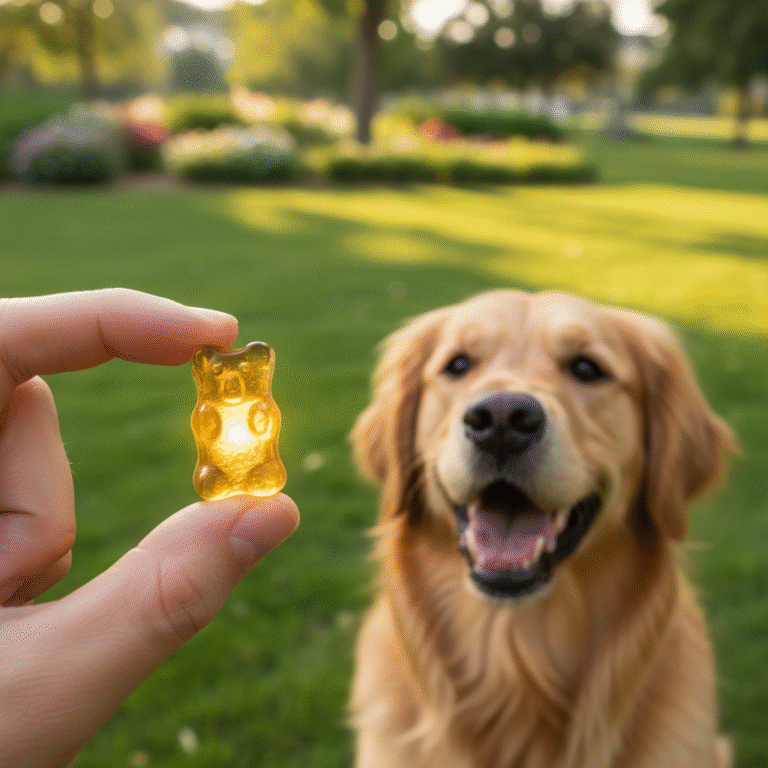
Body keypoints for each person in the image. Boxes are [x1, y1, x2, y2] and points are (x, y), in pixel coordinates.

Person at [0, 288, 300, 768]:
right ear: (208, 376)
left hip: (257, 471)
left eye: (241, 377)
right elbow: (208, 432)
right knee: (215, 470)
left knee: (262, 467)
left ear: (258, 371)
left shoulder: (261, 403)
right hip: (221, 474)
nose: (230, 385)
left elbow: (264, 425)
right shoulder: (208, 410)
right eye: (221, 378)